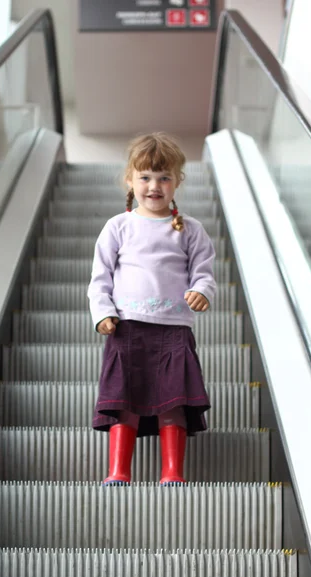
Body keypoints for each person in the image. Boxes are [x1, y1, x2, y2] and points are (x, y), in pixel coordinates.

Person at [87, 132, 216, 486]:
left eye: (163, 177)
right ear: (130, 180)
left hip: (173, 330)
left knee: (173, 400)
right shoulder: (119, 226)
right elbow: (100, 277)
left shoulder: (190, 230)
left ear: (177, 182)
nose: (154, 186)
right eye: (144, 177)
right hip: (128, 328)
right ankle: (118, 471)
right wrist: (103, 312)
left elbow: (203, 272)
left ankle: (173, 472)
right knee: (125, 398)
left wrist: (201, 291)